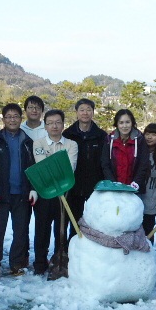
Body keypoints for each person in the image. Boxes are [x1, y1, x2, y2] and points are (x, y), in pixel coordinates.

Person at [0, 103, 37, 278]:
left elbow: (32, 167)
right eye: (9, 116)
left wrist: (32, 188)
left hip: (21, 193)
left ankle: (17, 264)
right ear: (3, 119)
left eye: (16, 116)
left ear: (20, 119)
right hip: (1, 193)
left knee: (20, 231)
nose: (12, 119)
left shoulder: (28, 142)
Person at [31, 109, 78, 275]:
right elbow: (41, 167)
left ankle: (59, 261)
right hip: (45, 192)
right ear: (45, 126)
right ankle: (39, 263)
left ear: (63, 124)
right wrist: (59, 164)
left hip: (65, 193)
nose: (54, 126)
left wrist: (56, 167)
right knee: (41, 229)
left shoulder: (71, 144)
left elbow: (69, 169)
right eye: (50, 123)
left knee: (61, 229)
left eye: (58, 122)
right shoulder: (38, 144)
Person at [62, 98, 107, 239]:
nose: (85, 113)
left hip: (95, 187)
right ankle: (71, 252)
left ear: (93, 112)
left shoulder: (101, 136)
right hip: (73, 186)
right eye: (82, 109)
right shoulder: (68, 135)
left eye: (88, 109)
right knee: (74, 222)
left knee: (96, 222)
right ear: (76, 113)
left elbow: (105, 161)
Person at [101, 109, 150, 193]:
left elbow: (143, 164)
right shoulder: (109, 140)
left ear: (132, 123)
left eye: (127, 122)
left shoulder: (140, 140)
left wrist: (136, 183)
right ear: (117, 124)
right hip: (114, 188)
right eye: (121, 123)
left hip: (135, 188)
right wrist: (113, 184)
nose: (124, 126)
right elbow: (105, 164)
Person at [140, 123, 156, 243]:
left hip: (152, 197)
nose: (149, 137)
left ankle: (148, 254)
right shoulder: (138, 151)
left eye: (153, 134)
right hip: (138, 196)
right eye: (147, 134)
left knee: (148, 229)